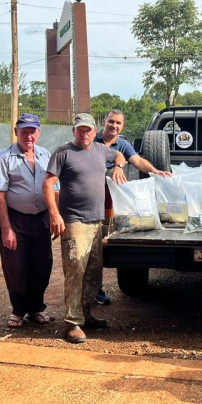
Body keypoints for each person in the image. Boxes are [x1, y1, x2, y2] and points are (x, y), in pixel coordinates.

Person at [43, 113, 126, 344]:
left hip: (96, 222)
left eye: (88, 129)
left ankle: (86, 314)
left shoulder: (101, 150)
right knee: (75, 272)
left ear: (94, 130)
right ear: (74, 131)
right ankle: (72, 324)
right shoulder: (63, 152)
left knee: (93, 272)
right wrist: (54, 214)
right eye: (80, 129)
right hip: (74, 222)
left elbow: (119, 154)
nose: (84, 133)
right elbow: (48, 184)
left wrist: (118, 165)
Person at [93, 108, 171, 305]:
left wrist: (156, 171)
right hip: (91, 200)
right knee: (92, 246)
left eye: (118, 123)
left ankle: (97, 288)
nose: (114, 126)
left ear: (122, 126)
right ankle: (94, 289)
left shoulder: (123, 144)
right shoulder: (92, 140)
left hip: (114, 204)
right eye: (111, 121)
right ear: (105, 121)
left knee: (106, 245)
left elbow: (137, 161)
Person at [0, 113, 56, 329]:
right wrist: (6, 228)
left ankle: (36, 308)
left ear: (39, 132)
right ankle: (18, 310)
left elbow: (55, 189)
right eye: (24, 131)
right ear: (16, 132)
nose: (29, 136)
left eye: (32, 131)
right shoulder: (4, 158)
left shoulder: (45, 155)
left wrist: (56, 215)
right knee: (15, 266)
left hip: (42, 219)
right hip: (16, 219)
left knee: (42, 264)